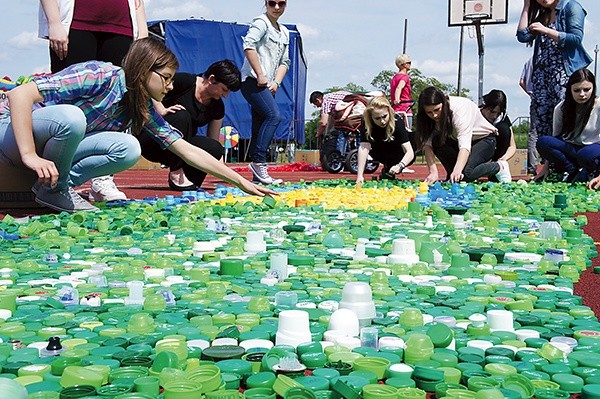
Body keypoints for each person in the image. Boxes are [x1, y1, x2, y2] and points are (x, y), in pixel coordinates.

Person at [0, 38, 274, 213]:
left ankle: (57, 188)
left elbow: (187, 150)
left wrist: (240, 181)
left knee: (129, 147)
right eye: (165, 78)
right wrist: (29, 155)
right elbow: (19, 94)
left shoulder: (140, 107)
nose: (170, 86)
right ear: (144, 69)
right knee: (72, 119)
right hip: (14, 135)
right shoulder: (101, 75)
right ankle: (52, 187)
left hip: (53, 147)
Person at [39, 0, 149, 201]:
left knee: (116, 100)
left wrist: (142, 32)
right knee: (68, 103)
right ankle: (56, 177)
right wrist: (54, 22)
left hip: (121, 26)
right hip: (76, 22)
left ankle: (102, 178)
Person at [138, 60, 241, 191]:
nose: (225, 96)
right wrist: (161, 109)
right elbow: (146, 86)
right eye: (224, 90)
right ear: (212, 79)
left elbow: (213, 141)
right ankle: (176, 172)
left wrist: (226, 174)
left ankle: (189, 183)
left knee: (214, 147)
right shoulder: (185, 82)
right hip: (153, 140)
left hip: (181, 148)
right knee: (181, 115)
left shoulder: (217, 107)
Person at [516, 0, 592, 140]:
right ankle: (548, 159)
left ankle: (567, 158)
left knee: (564, 117)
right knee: (543, 123)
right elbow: (522, 36)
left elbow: (575, 38)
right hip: (542, 77)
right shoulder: (543, 15)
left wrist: (546, 30)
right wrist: (527, 6)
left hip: (563, 73)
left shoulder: (571, 7)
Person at [414, 86, 509, 184]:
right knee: (437, 141)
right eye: (429, 112)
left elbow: (464, 145)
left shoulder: (459, 111)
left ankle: (500, 166)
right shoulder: (426, 118)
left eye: (437, 110)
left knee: (466, 174)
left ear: (444, 103)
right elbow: (427, 145)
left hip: (484, 140)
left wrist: (458, 170)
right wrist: (433, 172)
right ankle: (453, 174)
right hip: (457, 141)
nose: (434, 115)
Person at [241, 0, 290, 185]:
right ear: (266, 4)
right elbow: (249, 45)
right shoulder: (261, 22)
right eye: (272, 3)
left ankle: (257, 176)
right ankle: (259, 162)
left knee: (259, 125)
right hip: (252, 81)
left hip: (268, 85)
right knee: (274, 116)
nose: (276, 7)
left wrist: (276, 82)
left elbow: (285, 61)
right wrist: (260, 74)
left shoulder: (284, 31)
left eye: (281, 3)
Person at [535, 68, 600, 183]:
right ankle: (571, 169)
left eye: (586, 89)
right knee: (544, 142)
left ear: (593, 88)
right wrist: (545, 168)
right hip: (572, 149)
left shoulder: (598, 106)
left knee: (586, 154)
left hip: (593, 150)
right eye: (577, 90)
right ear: (570, 90)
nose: (582, 94)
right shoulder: (561, 108)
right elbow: (556, 138)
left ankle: (593, 172)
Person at [356, 97, 414, 185]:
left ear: (389, 112)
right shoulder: (366, 122)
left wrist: (400, 165)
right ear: (371, 117)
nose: (382, 121)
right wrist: (359, 175)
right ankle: (388, 166)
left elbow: (409, 151)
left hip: (398, 151)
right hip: (378, 151)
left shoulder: (397, 121)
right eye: (377, 118)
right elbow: (364, 147)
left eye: (384, 116)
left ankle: (390, 167)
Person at [480, 89, 516, 183]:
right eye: (492, 112)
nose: (494, 116)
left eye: (498, 113)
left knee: (504, 129)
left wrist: (503, 159)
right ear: (484, 106)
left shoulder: (503, 119)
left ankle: (497, 170)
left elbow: (512, 146)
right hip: (478, 151)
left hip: (496, 155)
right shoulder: (476, 114)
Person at [519, 57, 539, 175]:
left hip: (535, 99)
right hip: (549, 98)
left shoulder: (528, 62)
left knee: (534, 133)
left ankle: (532, 167)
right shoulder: (548, 59)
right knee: (552, 131)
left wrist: (531, 93)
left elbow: (522, 82)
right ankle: (551, 165)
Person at [390, 53, 413, 130]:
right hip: (405, 109)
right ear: (403, 64)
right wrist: (397, 99)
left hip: (394, 109)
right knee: (408, 131)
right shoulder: (404, 77)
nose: (410, 64)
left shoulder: (394, 78)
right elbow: (399, 87)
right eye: (409, 63)